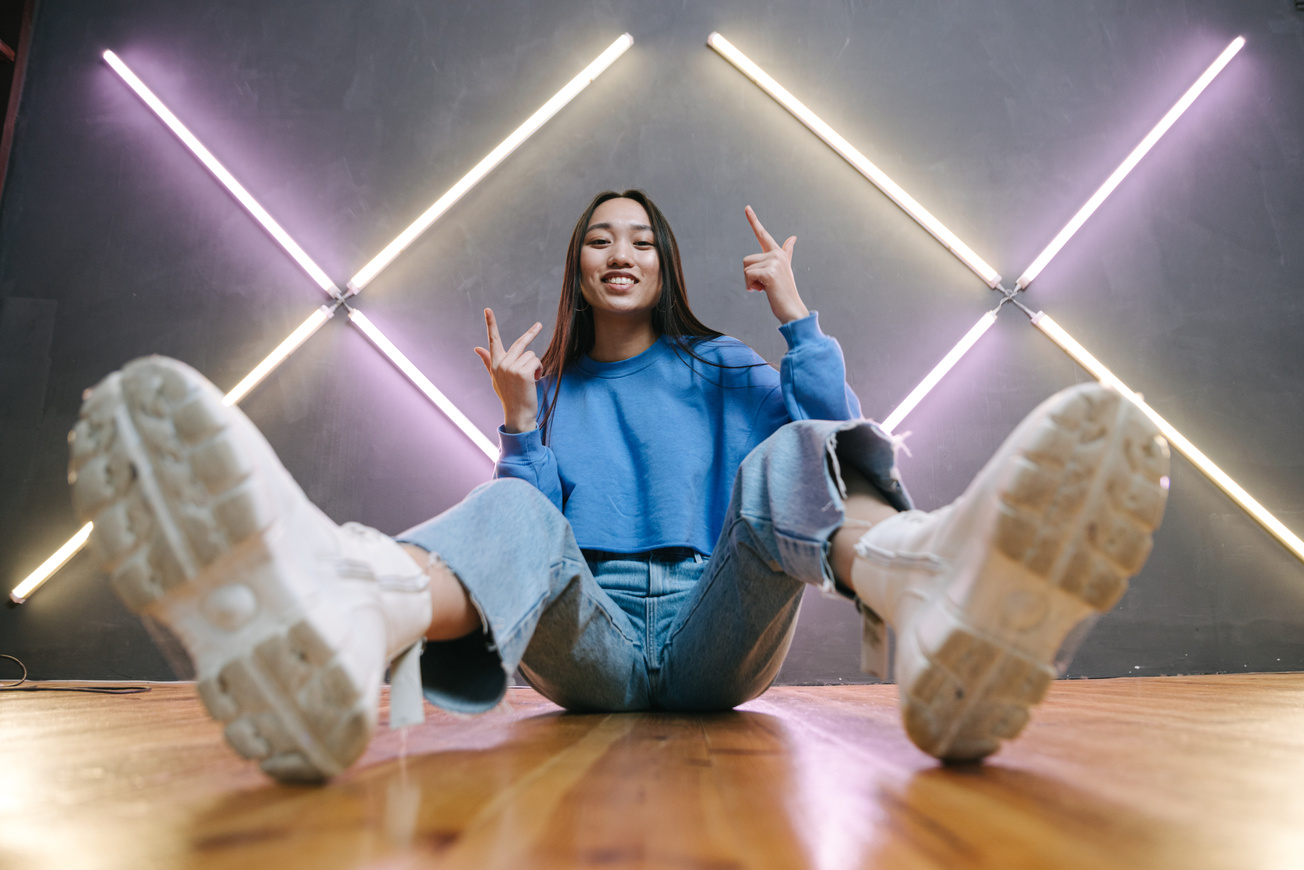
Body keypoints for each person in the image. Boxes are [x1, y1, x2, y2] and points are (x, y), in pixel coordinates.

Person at [67, 190, 1171, 783]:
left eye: (639, 238)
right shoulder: (545, 388)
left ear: (663, 263)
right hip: (587, 646)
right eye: (599, 239)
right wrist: (512, 420)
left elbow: (825, 435)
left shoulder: (723, 367)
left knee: (782, 460)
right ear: (580, 266)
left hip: (711, 632)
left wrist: (792, 312)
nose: (619, 252)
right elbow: (526, 524)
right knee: (523, 506)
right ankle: (347, 610)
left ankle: (926, 588)